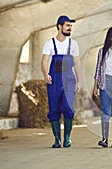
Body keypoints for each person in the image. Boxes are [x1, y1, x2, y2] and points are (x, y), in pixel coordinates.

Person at [41, 15, 81, 148]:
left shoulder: (73, 44)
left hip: (69, 79)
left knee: (68, 108)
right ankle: (57, 139)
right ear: (60, 26)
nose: (70, 28)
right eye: (68, 25)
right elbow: (44, 61)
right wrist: (46, 74)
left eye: (71, 26)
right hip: (55, 80)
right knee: (54, 108)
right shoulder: (50, 43)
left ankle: (67, 137)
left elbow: (77, 63)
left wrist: (79, 80)